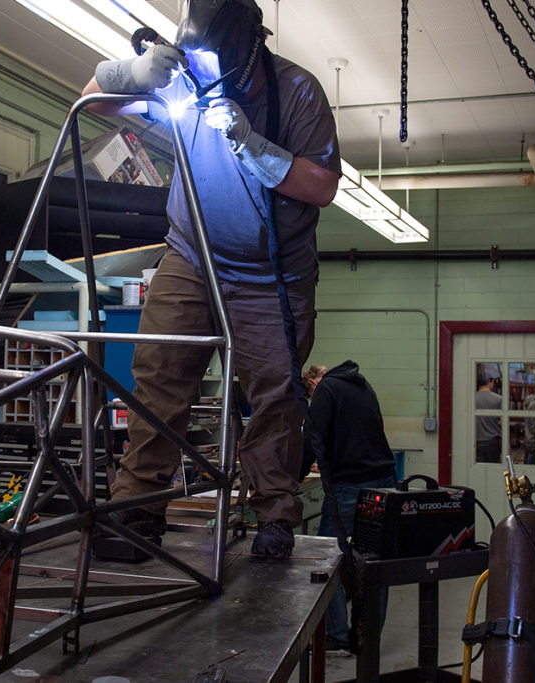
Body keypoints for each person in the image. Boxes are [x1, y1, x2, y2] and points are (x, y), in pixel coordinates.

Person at [82, 0, 341, 559]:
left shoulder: (299, 91)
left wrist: (253, 144)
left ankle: (274, 515)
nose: (201, 77)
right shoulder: (184, 74)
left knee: (273, 396)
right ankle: (137, 511)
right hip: (192, 257)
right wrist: (135, 73)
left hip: (271, 274)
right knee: (159, 378)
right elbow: (91, 99)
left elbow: (322, 186)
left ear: (251, 48)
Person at [301, 360, 397, 655]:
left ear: (314, 384)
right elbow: (351, 434)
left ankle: (338, 636)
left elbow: (312, 437)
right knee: (374, 563)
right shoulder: (361, 385)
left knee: (328, 561)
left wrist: (294, 477)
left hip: (350, 486)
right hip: (384, 482)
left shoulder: (326, 389)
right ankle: (366, 641)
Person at [475, 376, 502, 463]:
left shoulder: (471, 398)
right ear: (489, 381)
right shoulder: (498, 399)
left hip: (476, 440)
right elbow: (503, 422)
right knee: (494, 469)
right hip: (493, 440)